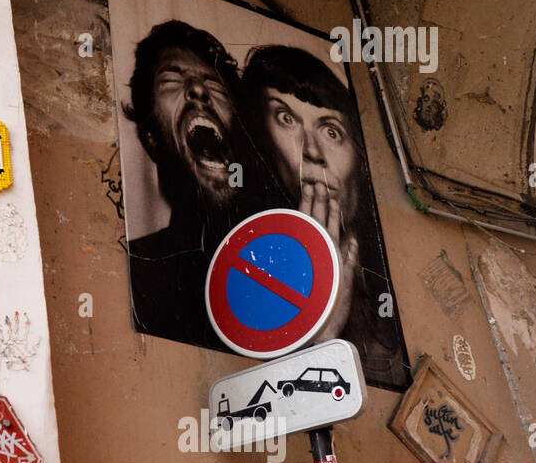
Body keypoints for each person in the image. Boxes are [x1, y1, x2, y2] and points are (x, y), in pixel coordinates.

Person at [238, 45, 399, 376]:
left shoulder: (390, 273)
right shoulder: (250, 279)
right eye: (286, 119)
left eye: (330, 130)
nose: (312, 152)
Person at [122, 20, 252, 348]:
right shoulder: (135, 270)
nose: (197, 89)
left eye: (212, 81)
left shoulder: (282, 259)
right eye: (172, 78)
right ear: (151, 139)